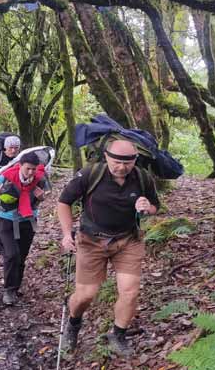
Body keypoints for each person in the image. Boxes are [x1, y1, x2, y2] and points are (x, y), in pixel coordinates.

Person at [56, 138, 159, 356]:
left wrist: (146, 207)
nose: (122, 167)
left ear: (135, 160)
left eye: (127, 163)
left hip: (128, 239)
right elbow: (64, 202)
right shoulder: (90, 174)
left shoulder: (142, 178)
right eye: (117, 162)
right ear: (106, 157)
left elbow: (154, 206)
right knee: (86, 295)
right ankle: (73, 323)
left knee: (130, 291)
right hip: (91, 241)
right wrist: (66, 234)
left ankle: (118, 334)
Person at [0, 151, 49, 305]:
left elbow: (44, 196)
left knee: (22, 256)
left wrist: (41, 196)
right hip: (6, 219)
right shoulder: (7, 176)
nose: (30, 172)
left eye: (33, 169)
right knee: (12, 254)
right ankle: (9, 290)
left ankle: (15, 287)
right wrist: (1, 192)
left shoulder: (40, 178)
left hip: (28, 220)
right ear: (20, 165)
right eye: (27, 168)